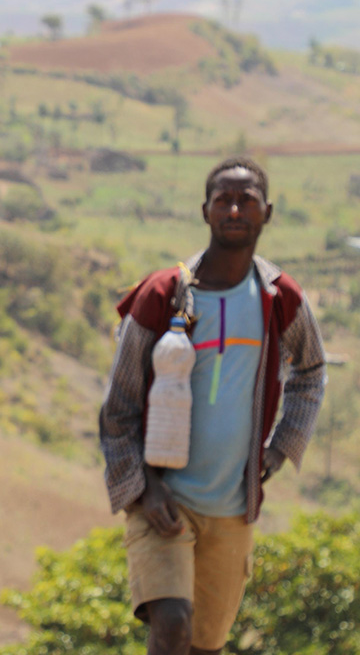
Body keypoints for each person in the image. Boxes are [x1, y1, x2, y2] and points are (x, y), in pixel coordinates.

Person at [99, 156, 326, 655]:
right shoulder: (165, 295)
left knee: (206, 646)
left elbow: (311, 372)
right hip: (163, 502)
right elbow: (118, 407)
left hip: (232, 507)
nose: (235, 209)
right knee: (173, 623)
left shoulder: (279, 298)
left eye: (247, 199)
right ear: (205, 211)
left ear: (267, 212)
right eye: (223, 199)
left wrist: (281, 447)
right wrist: (145, 488)